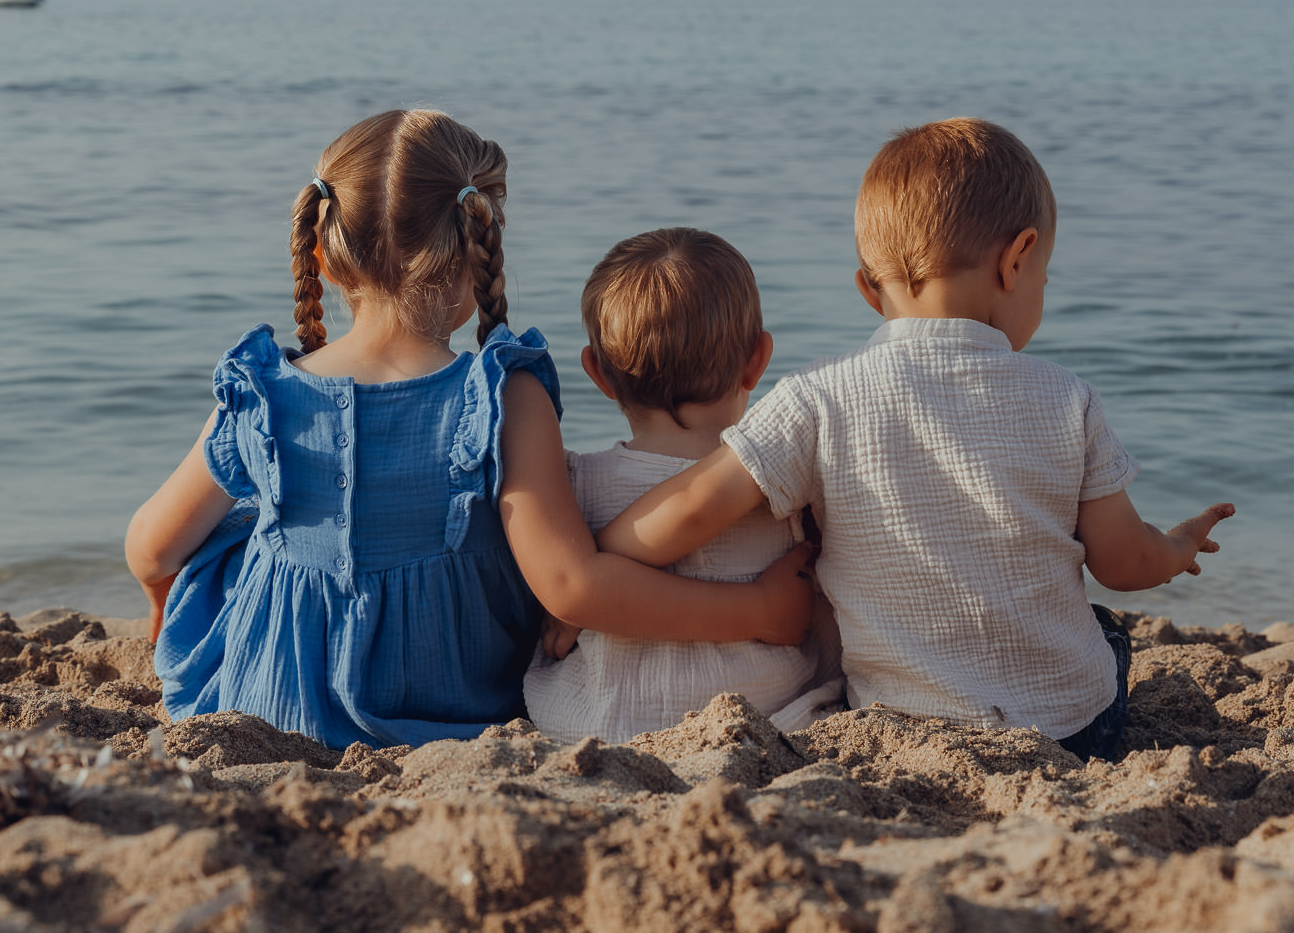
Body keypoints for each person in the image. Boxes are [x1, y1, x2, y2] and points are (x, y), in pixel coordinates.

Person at [125, 109, 814, 750]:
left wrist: (170, 609)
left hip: (272, 704)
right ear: (474, 255)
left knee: (235, 532)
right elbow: (569, 582)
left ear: (328, 257)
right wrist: (756, 608)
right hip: (455, 705)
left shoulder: (261, 388)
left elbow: (152, 549)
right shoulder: (503, 393)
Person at [597, 118, 1234, 761]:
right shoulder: (1067, 397)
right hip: (1070, 728)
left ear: (869, 290)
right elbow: (1123, 563)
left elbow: (691, 508)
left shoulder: (817, 397)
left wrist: (599, 565)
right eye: (1046, 274)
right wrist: (1176, 544)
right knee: (1104, 634)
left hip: (900, 731)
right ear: (1017, 260)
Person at [522, 229, 843, 743]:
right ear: (758, 360)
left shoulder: (574, 484)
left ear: (597, 376)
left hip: (601, 719)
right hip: (769, 711)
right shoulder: (781, 483)